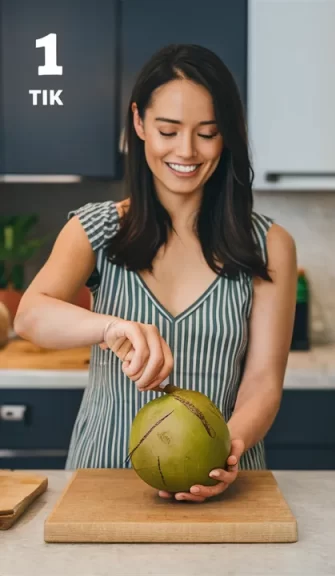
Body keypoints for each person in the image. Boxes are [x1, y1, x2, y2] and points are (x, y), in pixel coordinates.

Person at [14, 44, 297, 502]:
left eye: (207, 133)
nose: (186, 151)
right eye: (168, 130)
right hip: (103, 477)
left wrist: (226, 452)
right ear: (140, 124)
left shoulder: (269, 245)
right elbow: (29, 316)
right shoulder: (96, 228)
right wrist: (109, 327)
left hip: (224, 483)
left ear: (227, 136)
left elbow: (264, 381)